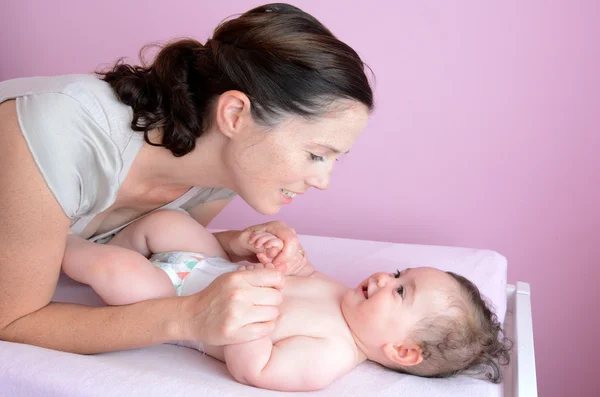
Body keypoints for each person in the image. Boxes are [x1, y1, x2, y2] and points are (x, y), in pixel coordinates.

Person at [0, 3, 373, 354]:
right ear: (234, 114)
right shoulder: (64, 130)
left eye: (333, 160)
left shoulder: (221, 176)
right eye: (315, 154)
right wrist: (188, 318)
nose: (323, 180)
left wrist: (231, 245)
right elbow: (12, 320)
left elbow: (134, 247)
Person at [65, 209, 511, 392]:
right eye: (397, 274)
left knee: (115, 272)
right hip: (208, 265)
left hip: (176, 300)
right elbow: (303, 274)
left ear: (404, 351)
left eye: (399, 290)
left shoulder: (329, 357)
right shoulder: (343, 298)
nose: (382, 277)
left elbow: (252, 369)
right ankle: (107, 238)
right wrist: (281, 257)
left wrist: (255, 307)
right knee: (168, 221)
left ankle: (50, 246)